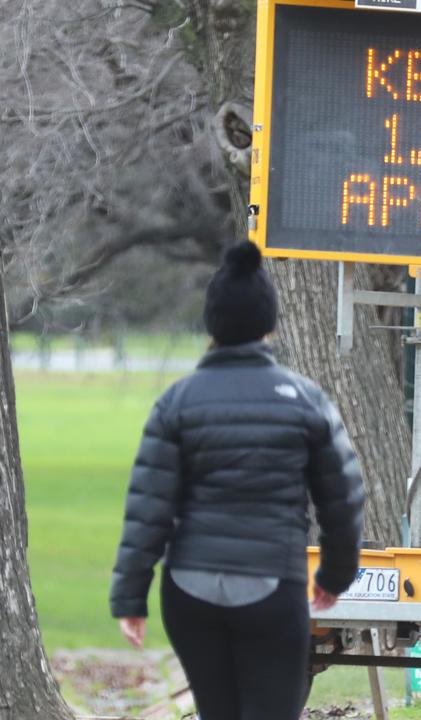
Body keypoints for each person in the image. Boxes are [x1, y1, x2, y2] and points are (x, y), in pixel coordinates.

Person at [109, 241, 366, 720]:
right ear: (269, 324)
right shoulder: (304, 398)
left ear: (212, 325)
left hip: (189, 588)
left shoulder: (177, 402)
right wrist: (335, 573)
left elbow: (150, 505)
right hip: (272, 584)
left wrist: (130, 595)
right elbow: (342, 497)